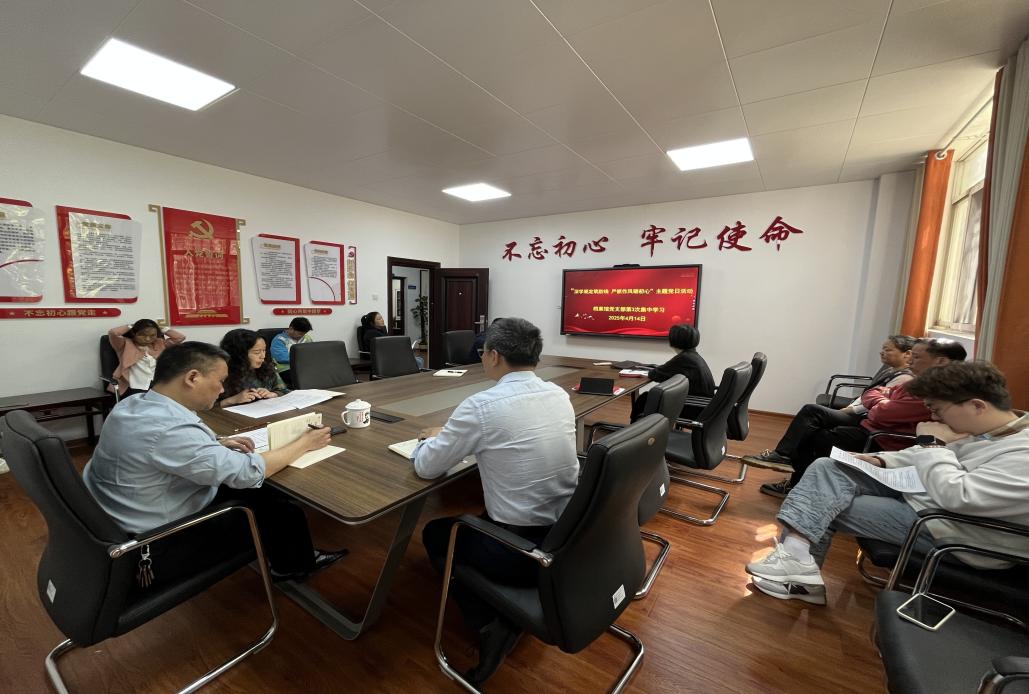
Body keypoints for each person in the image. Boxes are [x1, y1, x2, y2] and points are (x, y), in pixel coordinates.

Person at [745, 360, 1029, 606]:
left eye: (939, 410)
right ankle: (796, 565)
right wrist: (879, 460)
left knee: (820, 502)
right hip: (927, 496)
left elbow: (959, 497)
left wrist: (932, 444)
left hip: (952, 528)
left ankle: (798, 576)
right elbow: (932, 456)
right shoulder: (989, 430)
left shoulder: (1023, 455)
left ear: (977, 406)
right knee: (828, 468)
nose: (933, 417)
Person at [83, 342, 347, 586]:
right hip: (157, 543)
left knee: (266, 495)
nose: (222, 390)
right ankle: (295, 568)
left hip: (122, 517)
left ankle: (289, 557)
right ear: (192, 377)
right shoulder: (169, 430)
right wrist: (305, 442)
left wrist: (216, 443)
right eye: (220, 381)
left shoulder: (133, 404)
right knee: (281, 510)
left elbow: (164, 448)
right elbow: (249, 472)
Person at [414, 317, 578, 686]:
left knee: (437, 534)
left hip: (522, 553)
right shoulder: (558, 394)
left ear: (494, 356)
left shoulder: (482, 406)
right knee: (480, 513)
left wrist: (430, 441)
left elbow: (427, 468)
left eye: (483, 352)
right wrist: (457, 434)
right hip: (568, 536)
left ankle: (491, 623)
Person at [756, 337, 966, 499]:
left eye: (917, 357)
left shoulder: (934, 392)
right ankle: (794, 476)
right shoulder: (916, 382)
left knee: (818, 437)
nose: (910, 359)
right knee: (812, 421)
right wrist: (881, 402)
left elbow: (882, 412)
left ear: (940, 361)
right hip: (871, 425)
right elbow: (872, 394)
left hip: (882, 438)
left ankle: (801, 487)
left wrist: (880, 404)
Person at [744, 334, 915, 471]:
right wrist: (854, 405)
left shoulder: (904, 379)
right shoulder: (891, 371)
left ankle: (783, 455)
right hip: (861, 412)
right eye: (882, 349)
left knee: (812, 412)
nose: (882, 352)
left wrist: (849, 410)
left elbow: (874, 403)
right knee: (810, 425)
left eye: (888, 350)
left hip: (864, 419)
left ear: (907, 354)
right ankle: (788, 467)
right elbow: (869, 396)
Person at [630, 323, 716, 421]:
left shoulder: (684, 358)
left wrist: (654, 370)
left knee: (644, 399)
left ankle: (636, 427)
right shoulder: (694, 356)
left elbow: (655, 375)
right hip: (703, 404)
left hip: (693, 407)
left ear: (674, 340)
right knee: (648, 397)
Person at [107, 319, 186, 397]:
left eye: (152, 335)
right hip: (134, 385)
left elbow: (180, 337)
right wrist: (132, 326)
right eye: (142, 335)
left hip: (157, 384)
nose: (148, 339)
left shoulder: (160, 343)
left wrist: (161, 328)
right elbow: (113, 333)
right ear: (134, 333)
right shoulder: (124, 344)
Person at [219, 329, 289, 406]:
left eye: (264, 350)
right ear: (238, 354)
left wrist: (273, 394)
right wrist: (232, 400)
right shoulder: (219, 373)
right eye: (257, 352)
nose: (263, 356)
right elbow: (209, 407)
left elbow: (284, 390)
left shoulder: (266, 366)